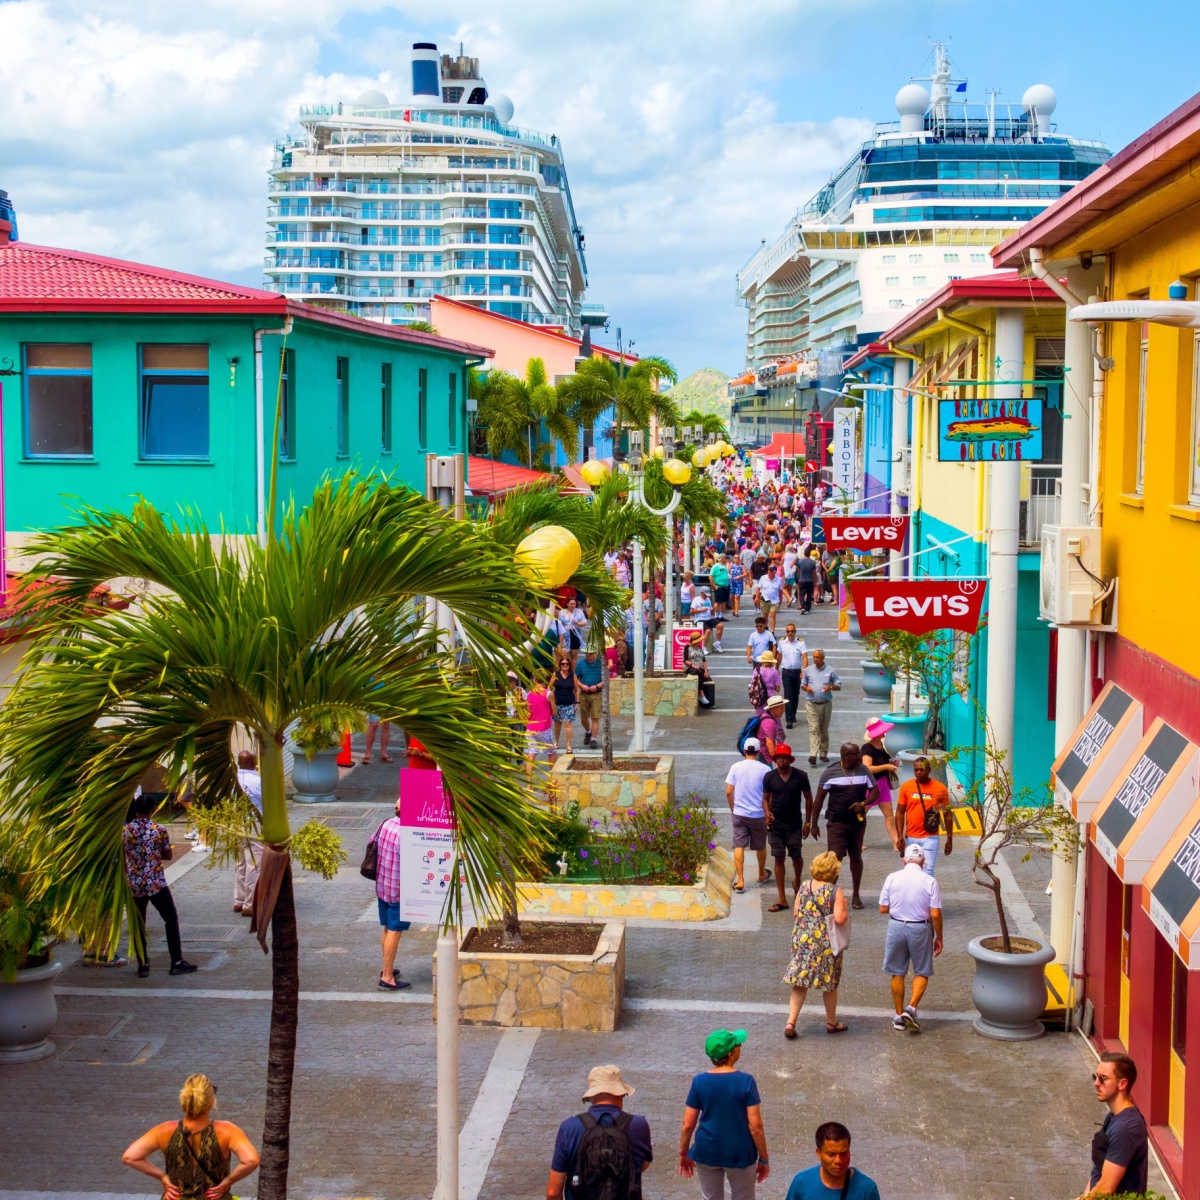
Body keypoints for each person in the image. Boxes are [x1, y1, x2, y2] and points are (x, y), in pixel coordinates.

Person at [121, 1073, 259, 1200]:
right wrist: (228, 1181)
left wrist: (162, 1176)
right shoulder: (228, 1130)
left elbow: (130, 1157)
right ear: (211, 1102)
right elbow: (251, 1161)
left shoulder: (163, 1130)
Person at [679, 1030, 769, 1200]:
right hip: (740, 1153)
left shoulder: (699, 1081)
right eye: (738, 1045)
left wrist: (684, 1153)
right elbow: (756, 1126)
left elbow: (688, 1125)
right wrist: (764, 1159)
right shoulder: (746, 1081)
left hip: (706, 1151)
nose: (740, 1047)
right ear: (731, 1053)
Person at [547, 1064, 653, 1200]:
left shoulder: (569, 1127)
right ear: (621, 1094)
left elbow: (553, 1192)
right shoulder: (639, 1125)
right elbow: (642, 1165)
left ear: (591, 1097)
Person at [123, 793, 197, 979]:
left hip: (135, 883)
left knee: (139, 923)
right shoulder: (158, 829)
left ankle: (143, 964)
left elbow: (123, 856)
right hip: (155, 882)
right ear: (153, 809)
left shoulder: (126, 830)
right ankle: (176, 961)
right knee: (170, 918)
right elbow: (167, 855)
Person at [782, 851, 850, 1038]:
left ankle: (791, 1022)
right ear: (834, 871)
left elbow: (796, 912)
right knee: (829, 984)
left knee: (799, 983)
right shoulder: (835, 891)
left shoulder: (804, 886)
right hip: (826, 943)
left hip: (803, 941)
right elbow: (840, 919)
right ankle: (831, 1022)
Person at [879, 843, 943, 1032]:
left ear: (904, 860)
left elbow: (882, 908)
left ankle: (899, 1016)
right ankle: (912, 1007)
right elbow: (936, 914)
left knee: (897, 972)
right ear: (923, 861)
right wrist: (939, 936)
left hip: (896, 926)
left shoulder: (892, 878)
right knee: (922, 970)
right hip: (920, 929)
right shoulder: (930, 881)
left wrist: (900, 908)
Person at [811, 743, 874, 910]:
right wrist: (813, 823)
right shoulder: (830, 772)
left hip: (857, 823)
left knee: (856, 857)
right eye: (855, 754)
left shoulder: (864, 770)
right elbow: (819, 799)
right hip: (836, 823)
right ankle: (829, 895)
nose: (859, 757)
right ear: (844, 756)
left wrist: (864, 803)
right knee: (834, 859)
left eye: (858, 753)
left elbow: (875, 791)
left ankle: (856, 895)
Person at [1082, 1053, 1148, 1198]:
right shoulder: (1114, 1116)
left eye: (1103, 1079)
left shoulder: (1126, 1128)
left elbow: (1105, 1188)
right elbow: (1098, 1171)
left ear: (1122, 1084)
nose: (1096, 1083)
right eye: (1095, 1077)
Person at [763, 744, 812, 913]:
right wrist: (767, 812)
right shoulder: (769, 777)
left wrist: (808, 823)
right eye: (779, 758)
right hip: (775, 825)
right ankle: (781, 898)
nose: (782, 761)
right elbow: (765, 798)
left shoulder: (800, 776)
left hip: (794, 824)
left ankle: (797, 880)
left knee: (796, 856)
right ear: (775, 760)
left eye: (785, 758)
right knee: (778, 858)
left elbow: (808, 799)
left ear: (790, 760)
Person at [370, 795, 412, 990]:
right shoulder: (406, 833)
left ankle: (387, 967)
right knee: (395, 931)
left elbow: (372, 842)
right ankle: (387, 976)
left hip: (383, 885)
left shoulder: (386, 824)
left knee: (386, 927)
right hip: (398, 891)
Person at [785, 1122, 880, 1200]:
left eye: (843, 1154)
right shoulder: (801, 1183)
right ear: (819, 1153)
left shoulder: (867, 1189)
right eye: (831, 1155)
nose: (838, 1160)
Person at [725, 738, 772, 894]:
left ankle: (740, 880)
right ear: (758, 752)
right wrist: (768, 812)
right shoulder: (765, 769)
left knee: (739, 846)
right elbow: (768, 795)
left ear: (744, 751)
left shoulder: (735, 767)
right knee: (760, 846)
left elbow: (729, 791)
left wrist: (733, 808)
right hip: (758, 814)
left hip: (740, 813)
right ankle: (760, 873)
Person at [895, 757, 953, 875]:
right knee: (911, 872)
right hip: (910, 837)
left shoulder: (940, 788)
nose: (918, 772)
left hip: (930, 838)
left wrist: (949, 839)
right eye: (916, 770)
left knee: (928, 871)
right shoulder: (906, 787)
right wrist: (899, 836)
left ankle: (928, 894)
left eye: (922, 770)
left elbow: (947, 815)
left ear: (929, 770)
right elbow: (900, 812)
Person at [858, 720, 901, 853]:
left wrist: (892, 763)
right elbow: (867, 768)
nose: (885, 733)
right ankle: (856, 842)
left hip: (882, 785)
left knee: (889, 814)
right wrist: (887, 766)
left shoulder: (881, 747)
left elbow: (885, 761)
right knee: (861, 814)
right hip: (870, 787)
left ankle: (896, 842)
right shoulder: (867, 748)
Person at [233, 750, 263, 917]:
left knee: (240, 862)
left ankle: (238, 900)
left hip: (237, 823)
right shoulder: (257, 781)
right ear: (254, 763)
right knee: (254, 863)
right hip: (254, 824)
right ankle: (249, 904)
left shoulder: (233, 780)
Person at [800, 649, 841, 765]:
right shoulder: (808, 671)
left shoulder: (830, 671)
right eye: (814, 657)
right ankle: (813, 754)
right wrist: (807, 688)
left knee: (823, 729)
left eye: (818, 657)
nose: (815, 659)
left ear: (823, 658)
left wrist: (831, 687)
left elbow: (839, 685)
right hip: (812, 704)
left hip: (826, 704)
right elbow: (803, 685)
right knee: (814, 729)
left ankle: (823, 753)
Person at [777, 624, 809, 730]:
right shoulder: (781, 642)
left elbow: (804, 657)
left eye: (792, 631)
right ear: (786, 632)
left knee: (795, 695)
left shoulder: (800, 642)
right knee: (787, 695)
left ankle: (793, 714)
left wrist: (804, 671)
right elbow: (779, 656)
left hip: (797, 672)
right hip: (786, 672)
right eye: (788, 631)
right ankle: (789, 720)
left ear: (795, 632)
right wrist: (776, 669)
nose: (790, 633)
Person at [525, 676, 557, 777]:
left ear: (534, 680)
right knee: (551, 754)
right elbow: (554, 712)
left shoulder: (529, 694)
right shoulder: (549, 694)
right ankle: (552, 782)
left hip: (531, 728)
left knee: (531, 754)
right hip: (544, 728)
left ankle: (529, 785)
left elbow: (527, 712)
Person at [575, 648, 604, 749]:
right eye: (587, 654)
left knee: (595, 717)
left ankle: (593, 739)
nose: (589, 656)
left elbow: (606, 678)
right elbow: (576, 678)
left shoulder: (600, 663)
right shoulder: (580, 664)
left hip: (596, 693)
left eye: (591, 654)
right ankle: (588, 731)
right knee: (583, 718)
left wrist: (597, 686)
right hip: (584, 693)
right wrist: (582, 686)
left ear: (595, 654)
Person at [551, 653, 578, 756]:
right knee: (557, 724)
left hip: (569, 703)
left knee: (568, 724)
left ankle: (568, 745)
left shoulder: (573, 676)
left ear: (569, 665)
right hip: (558, 703)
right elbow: (550, 687)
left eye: (567, 664)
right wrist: (551, 702)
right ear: (560, 665)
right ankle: (556, 742)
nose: (565, 666)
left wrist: (577, 703)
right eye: (563, 664)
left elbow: (576, 690)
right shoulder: (556, 674)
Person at [752, 563, 784, 633]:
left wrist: (781, 600)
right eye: (770, 571)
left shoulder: (779, 579)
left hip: (774, 601)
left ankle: (772, 631)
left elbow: (780, 591)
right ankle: (766, 629)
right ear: (768, 571)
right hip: (764, 600)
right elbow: (758, 588)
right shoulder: (763, 578)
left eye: (773, 571)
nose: (772, 572)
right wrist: (757, 597)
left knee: (772, 615)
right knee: (764, 616)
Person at [757, 695, 787, 761]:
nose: (783, 710)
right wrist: (776, 760)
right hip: (764, 756)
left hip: (762, 754)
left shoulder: (766, 716)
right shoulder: (769, 722)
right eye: (781, 708)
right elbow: (769, 743)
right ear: (774, 708)